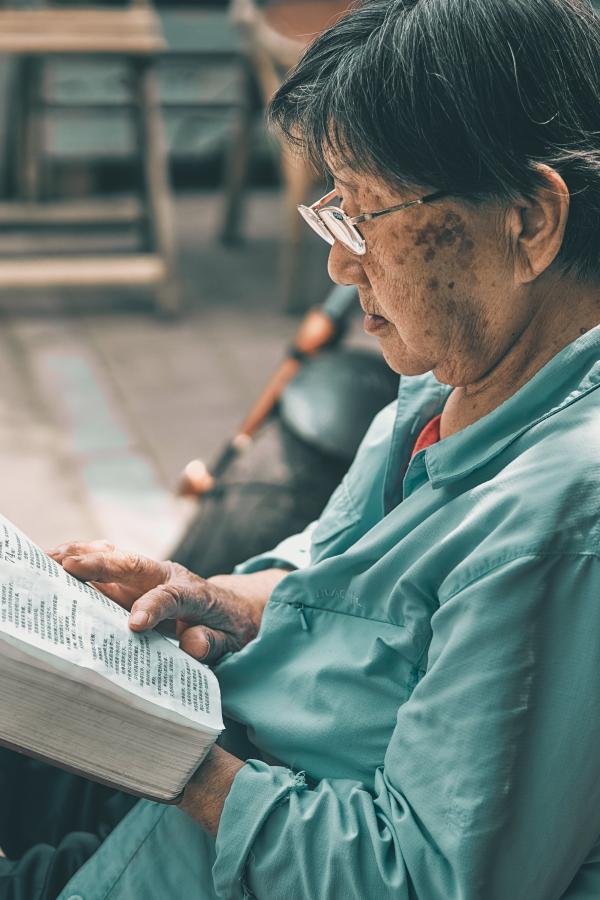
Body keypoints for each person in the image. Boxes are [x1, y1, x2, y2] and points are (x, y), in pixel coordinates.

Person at [2, 0, 600, 896]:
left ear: (530, 223)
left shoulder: (557, 522)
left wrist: (173, 756)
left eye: (369, 214)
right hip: (162, 816)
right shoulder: (447, 388)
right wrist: (216, 599)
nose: (341, 263)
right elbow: (332, 572)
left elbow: (422, 879)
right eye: (336, 211)